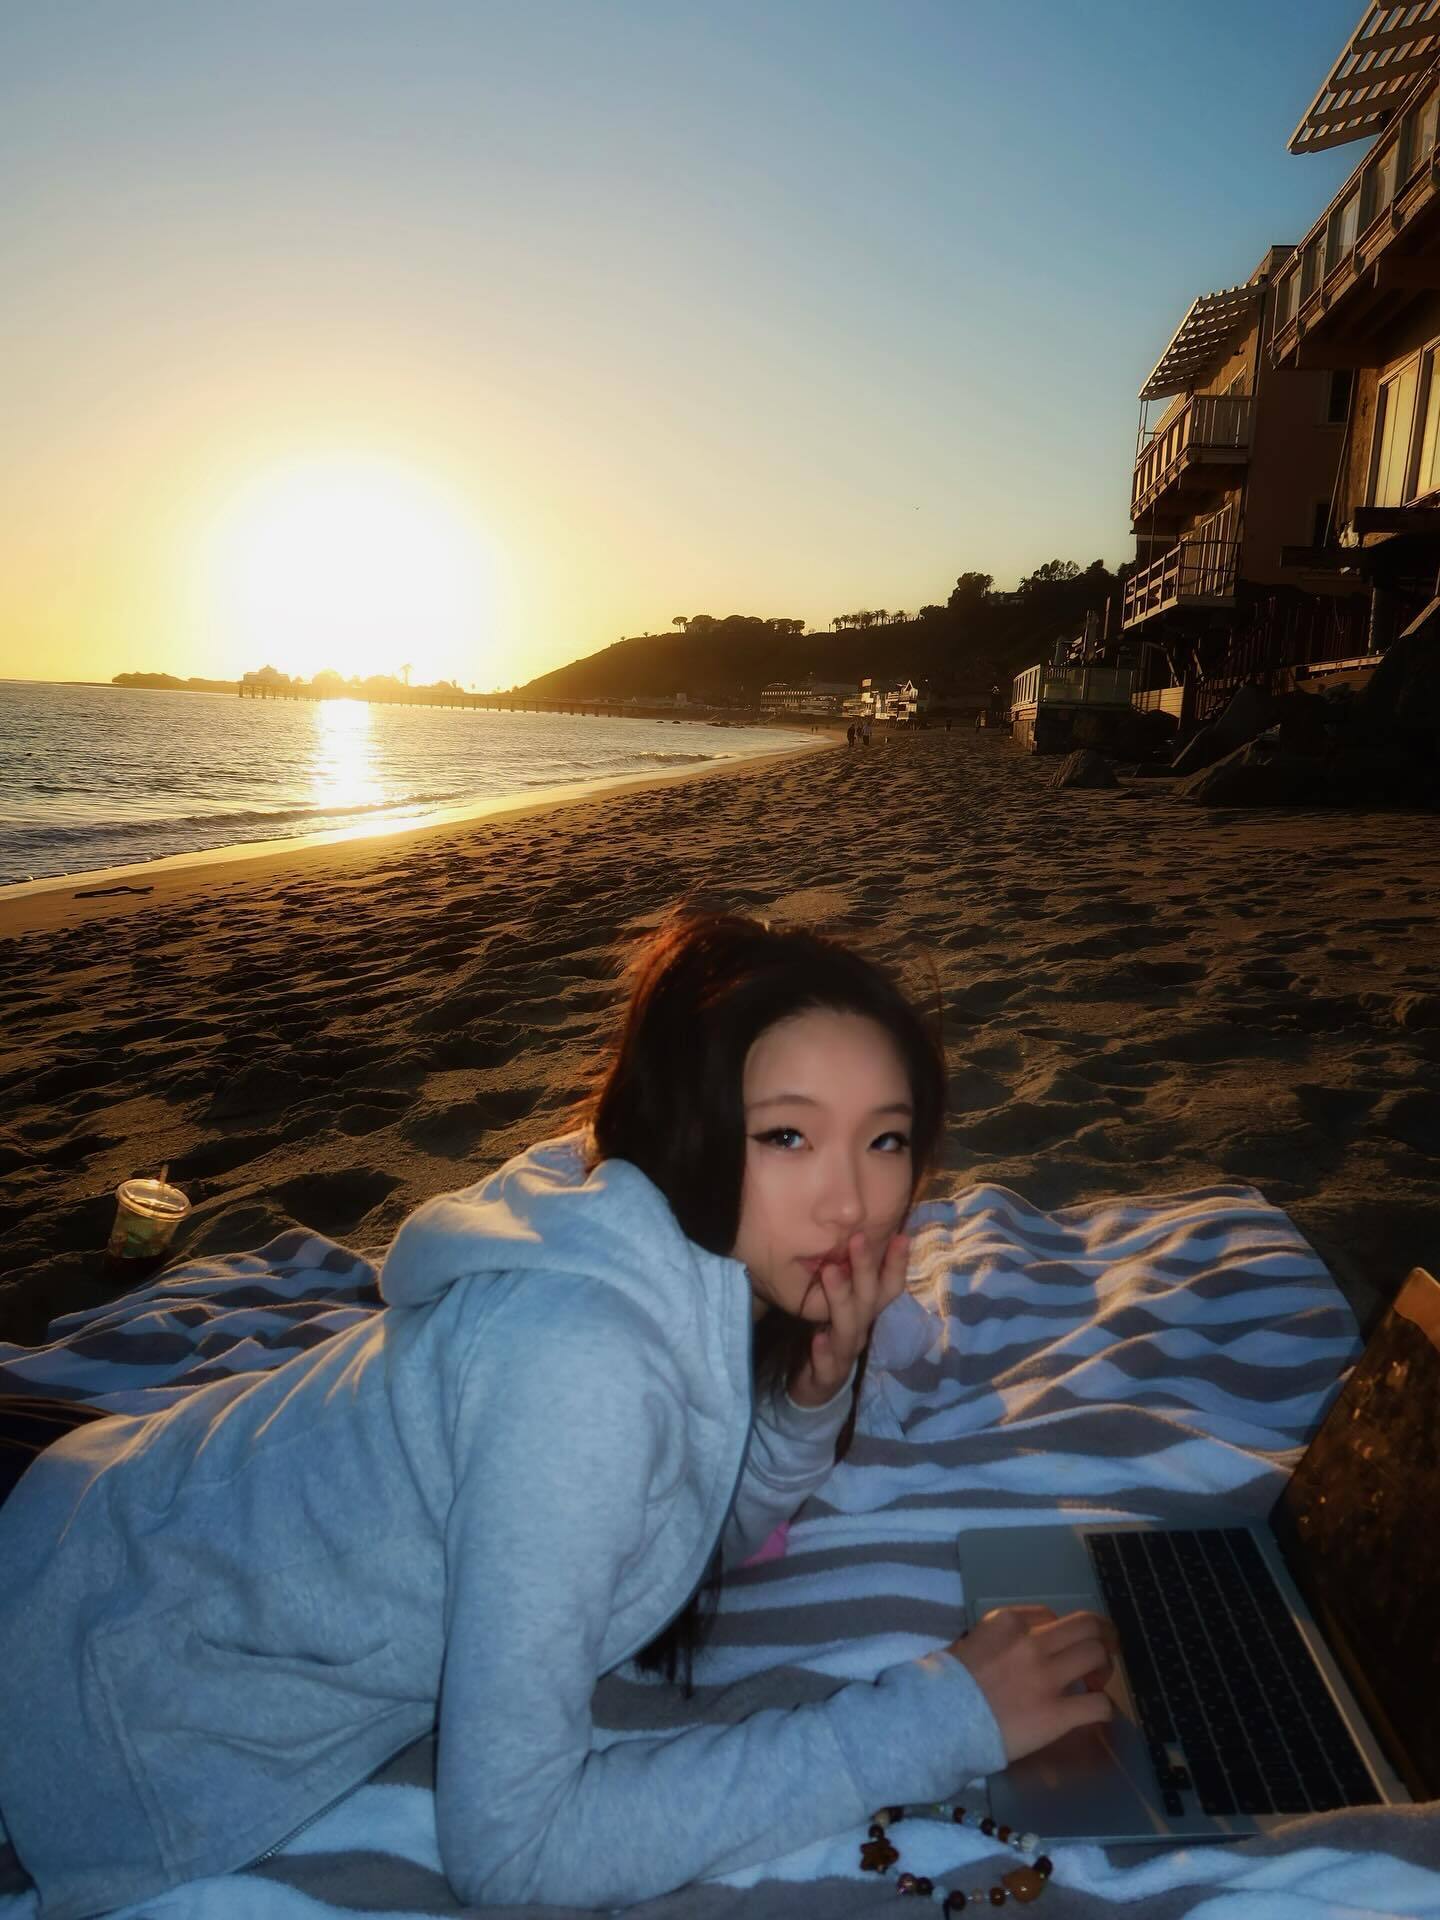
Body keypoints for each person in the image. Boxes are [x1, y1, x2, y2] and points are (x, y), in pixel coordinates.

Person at [0, 914, 1115, 1915]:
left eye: (886, 1139)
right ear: (691, 1125)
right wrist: (939, 1720)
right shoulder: (581, 1363)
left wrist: (812, 1391)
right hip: (81, 1657)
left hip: (108, 1494)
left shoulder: (667, 1248)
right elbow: (514, 1850)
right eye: (787, 1135)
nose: (852, 1201)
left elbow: (679, 1531)